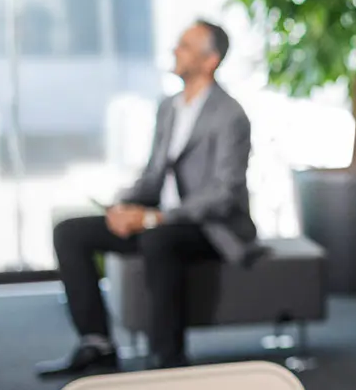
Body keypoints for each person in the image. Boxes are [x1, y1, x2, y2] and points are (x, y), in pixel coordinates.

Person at [40, 20, 258, 376]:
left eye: (185, 46)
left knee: (159, 239)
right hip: (159, 219)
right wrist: (122, 206)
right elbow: (153, 175)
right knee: (69, 232)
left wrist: (155, 218)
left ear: (210, 61)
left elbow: (223, 194)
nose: (175, 51)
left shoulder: (230, 115)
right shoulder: (169, 107)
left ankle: (168, 361)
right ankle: (97, 345)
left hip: (210, 227)